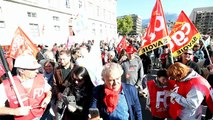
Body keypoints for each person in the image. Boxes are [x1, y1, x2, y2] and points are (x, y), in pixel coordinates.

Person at [0, 54, 52, 120]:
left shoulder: (40, 78)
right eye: (33, 69)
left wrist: (47, 98)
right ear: (21, 71)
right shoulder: (6, 86)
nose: (37, 71)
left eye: (37, 68)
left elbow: (48, 91)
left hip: (41, 116)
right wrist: (14, 111)